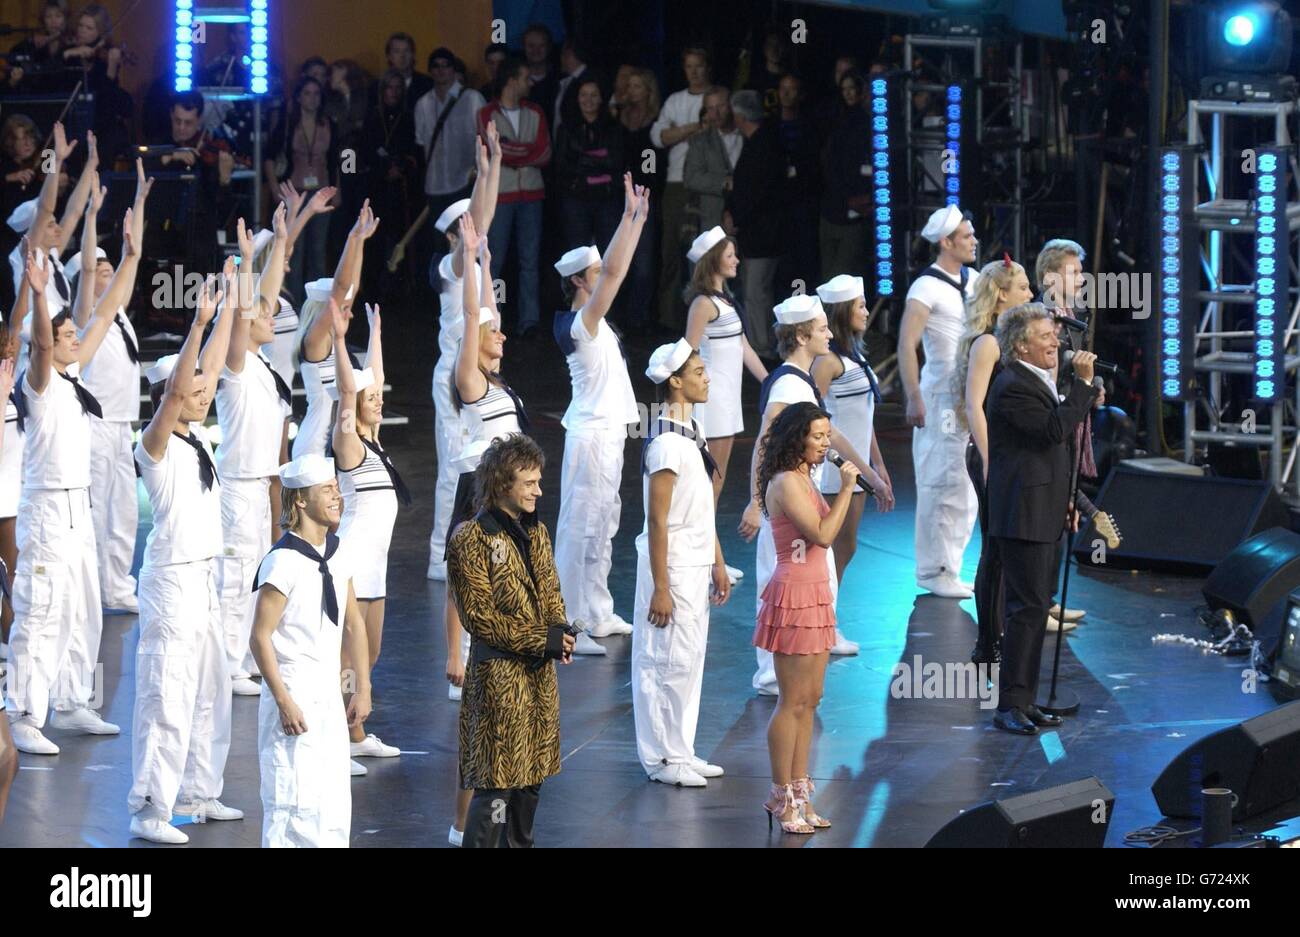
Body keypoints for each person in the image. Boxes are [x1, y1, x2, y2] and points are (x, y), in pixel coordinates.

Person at [4, 229, 133, 754]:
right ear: (50, 343)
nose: (75, 335)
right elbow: (37, 344)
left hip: (79, 505)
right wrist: (38, 295)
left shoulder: (75, 373)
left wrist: (131, 256)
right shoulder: (38, 382)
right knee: (41, 610)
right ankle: (22, 713)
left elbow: (105, 312)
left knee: (84, 605)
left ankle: (74, 700)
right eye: (65, 333)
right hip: (48, 507)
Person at [128, 267, 241, 845]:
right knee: (166, 693)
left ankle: (198, 793)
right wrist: (197, 323)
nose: (204, 391)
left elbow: (211, 367)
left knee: (210, 689)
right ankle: (150, 808)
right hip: (171, 581)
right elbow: (177, 390)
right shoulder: (155, 445)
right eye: (193, 389)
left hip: (203, 580)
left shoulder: (197, 438)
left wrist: (228, 303)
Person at [740, 295, 886, 693]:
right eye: (822, 328)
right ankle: (773, 671)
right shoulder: (788, 383)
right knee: (779, 581)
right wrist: (756, 500)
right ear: (803, 336)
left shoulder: (800, 380)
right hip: (787, 502)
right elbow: (765, 440)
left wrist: (871, 474)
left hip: (802, 493)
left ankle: (805, 649)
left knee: (812, 578)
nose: (828, 333)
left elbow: (833, 434)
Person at [447, 433, 575, 848]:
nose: (539, 490)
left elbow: (552, 592)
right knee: (497, 789)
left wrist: (561, 631)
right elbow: (480, 619)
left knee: (530, 784)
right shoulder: (471, 540)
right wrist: (545, 639)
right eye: (529, 483)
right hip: (499, 681)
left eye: (539, 481)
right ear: (503, 484)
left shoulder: (535, 532)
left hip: (538, 680)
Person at [249, 453, 373, 847]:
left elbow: (353, 623)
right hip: (295, 695)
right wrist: (284, 701)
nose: (337, 496)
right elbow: (259, 637)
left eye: (337, 488)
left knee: (333, 801)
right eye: (327, 490)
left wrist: (362, 688)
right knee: (294, 803)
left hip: (328, 699)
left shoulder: (337, 552)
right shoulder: (282, 562)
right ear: (301, 500)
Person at [986, 303, 1098, 735]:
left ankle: (1024, 700)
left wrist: (1065, 501)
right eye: (1046, 336)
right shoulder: (1013, 384)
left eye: (1055, 334)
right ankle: (1009, 704)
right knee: (1027, 610)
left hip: (1043, 510)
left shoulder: (1037, 380)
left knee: (1033, 609)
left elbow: (1056, 442)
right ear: (1020, 345)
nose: (1056, 341)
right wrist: (1082, 388)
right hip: (1022, 515)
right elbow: (1054, 431)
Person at [551, 175, 648, 655]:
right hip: (590, 437)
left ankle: (596, 610)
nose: (603, 274)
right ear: (578, 281)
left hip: (607, 435)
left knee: (605, 523)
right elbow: (613, 274)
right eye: (594, 271)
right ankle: (567, 623)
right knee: (580, 528)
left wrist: (636, 222)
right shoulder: (579, 324)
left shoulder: (596, 320)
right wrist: (628, 219)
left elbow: (614, 273)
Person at [754, 402, 857, 833]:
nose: (824, 444)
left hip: (814, 596)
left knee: (811, 700)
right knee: (791, 701)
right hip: (794, 595)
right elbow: (823, 535)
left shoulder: (804, 479)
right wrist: (848, 487)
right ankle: (781, 797)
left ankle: (800, 792)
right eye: (817, 436)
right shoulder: (785, 482)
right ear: (796, 437)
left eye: (826, 435)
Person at [632, 339, 730, 787]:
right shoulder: (667, 445)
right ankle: (662, 758)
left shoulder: (693, 436)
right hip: (671, 569)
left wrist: (718, 561)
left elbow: (701, 509)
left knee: (689, 659)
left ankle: (682, 749)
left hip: (694, 564)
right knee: (663, 662)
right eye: (698, 371)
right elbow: (658, 520)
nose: (706, 377)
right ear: (676, 381)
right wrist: (660, 585)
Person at [215, 210, 292, 697]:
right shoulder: (237, 362)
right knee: (235, 575)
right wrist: (246, 261)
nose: (270, 315)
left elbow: (264, 297)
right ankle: (226, 663)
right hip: (240, 485)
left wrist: (281, 242)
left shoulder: (263, 368)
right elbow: (246, 312)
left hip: (262, 483)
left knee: (258, 571)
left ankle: (245, 655)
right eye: (262, 313)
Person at [328, 297, 405, 762]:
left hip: (377, 565)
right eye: (370, 398)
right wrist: (340, 339)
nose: (378, 400)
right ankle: (338, 741)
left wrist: (375, 335)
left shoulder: (376, 444)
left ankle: (356, 734)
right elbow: (347, 394)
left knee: (369, 657)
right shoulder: (349, 444)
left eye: (379, 396)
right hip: (353, 560)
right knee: (346, 658)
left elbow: (369, 380)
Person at [76, 159, 152, 615]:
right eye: (101, 270)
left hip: (123, 424)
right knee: (97, 512)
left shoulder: (117, 312)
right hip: (96, 425)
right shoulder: (87, 317)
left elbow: (133, 255)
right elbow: (87, 268)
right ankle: (91, 587)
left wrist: (140, 201)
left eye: (110, 270)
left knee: (124, 512)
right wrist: (89, 218)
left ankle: (117, 587)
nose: (107, 273)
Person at [426, 126, 500, 582]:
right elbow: (478, 216)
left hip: (475, 376)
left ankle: (467, 540)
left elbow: (483, 218)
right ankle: (441, 554)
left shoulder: (474, 265)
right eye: (469, 228)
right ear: (457, 234)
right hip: (452, 378)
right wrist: (482, 181)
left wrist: (491, 167)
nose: (478, 231)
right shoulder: (450, 266)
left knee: (475, 459)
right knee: (453, 463)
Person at [898, 204, 981, 598]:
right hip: (940, 397)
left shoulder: (976, 280)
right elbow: (906, 344)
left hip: (971, 395)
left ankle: (952, 565)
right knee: (938, 479)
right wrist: (914, 395)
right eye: (966, 236)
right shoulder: (926, 287)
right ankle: (933, 569)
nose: (974, 241)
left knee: (965, 482)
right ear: (946, 243)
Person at [955, 258, 1035, 664]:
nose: (1031, 294)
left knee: (1007, 548)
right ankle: (988, 641)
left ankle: (999, 635)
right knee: (995, 549)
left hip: (1010, 456)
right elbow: (973, 404)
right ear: (1002, 293)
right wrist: (989, 460)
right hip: (991, 455)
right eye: (1023, 287)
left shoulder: (1014, 340)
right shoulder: (988, 342)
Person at [683, 225, 767, 582]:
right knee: (708, 485)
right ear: (713, 260)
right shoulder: (703, 304)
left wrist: (770, 382)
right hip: (712, 403)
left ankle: (708, 558)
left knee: (714, 484)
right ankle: (704, 561)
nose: (736, 260)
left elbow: (744, 347)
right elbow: (688, 354)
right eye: (729, 254)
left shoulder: (725, 301)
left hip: (728, 401)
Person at [813, 274, 896, 591]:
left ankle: (827, 621)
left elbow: (864, 416)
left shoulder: (855, 357)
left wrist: (878, 464)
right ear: (844, 312)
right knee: (836, 549)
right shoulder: (828, 362)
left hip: (857, 467)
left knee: (846, 548)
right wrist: (868, 473)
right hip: (837, 469)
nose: (866, 312)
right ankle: (823, 624)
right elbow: (820, 422)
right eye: (860, 306)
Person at [291, 202, 379, 460]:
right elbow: (341, 288)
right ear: (325, 309)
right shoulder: (315, 341)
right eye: (341, 308)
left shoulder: (332, 339)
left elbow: (348, 288)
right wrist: (351, 239)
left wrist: (361, 241)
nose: (349, 312)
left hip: (339, 437)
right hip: (317, 443)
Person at [478, 55, 550, 338]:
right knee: (493, 260)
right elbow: (496, 150)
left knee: (529, 260)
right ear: (512, 80)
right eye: (524, 77)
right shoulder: (486, 114)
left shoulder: (536, 112)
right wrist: (521, 153)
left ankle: (529, 321)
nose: (529, 82)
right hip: (500, 195)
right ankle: (491, 322)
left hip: (531, 194)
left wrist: (510, 152)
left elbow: (544, 153)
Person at [649, 46, 711, 330]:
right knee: (672, 251)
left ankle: (702, 316)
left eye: (699, 65)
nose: (694, 71)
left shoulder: (716, 97)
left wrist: (680, 131)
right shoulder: (675, 100)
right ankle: (669, 318)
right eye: (689, 66)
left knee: (703, 253)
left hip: (709, 184)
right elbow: (659, 137)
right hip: (677, 183)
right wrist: (692, 128)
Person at [266, 77, 341, 304]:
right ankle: (294, 304)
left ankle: (316, 305)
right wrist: (273, 187)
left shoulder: (329, 123)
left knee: (318, 252)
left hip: (321, 189)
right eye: (307, 93)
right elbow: (268, 156)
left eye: (316, 94)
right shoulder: (288, 123)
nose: (312, 98)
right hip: (295, 191)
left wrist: (340, 189)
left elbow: (338, 159)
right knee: (294, 253)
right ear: (299, 97)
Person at [725, 90, 784, 358]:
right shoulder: (758, 143)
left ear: (740, 115)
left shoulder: (763, 146)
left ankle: (763, 346)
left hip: (763, 234)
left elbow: (756, 193)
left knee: (756, 292)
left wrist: (737, 219)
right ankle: (761, 343)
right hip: (758, 233)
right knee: (755, 290)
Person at [414, 46, 485, 256]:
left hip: (465, 181)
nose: (441, 70)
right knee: (439, 244)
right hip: (435, 184)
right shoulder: (423, 104)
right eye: (436, 66)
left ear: (454, 69)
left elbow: (484, 138)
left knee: (468, 241)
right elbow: (421, 142)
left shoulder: (472, 98)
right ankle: (443, 287)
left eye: (446, 65)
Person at [554, 76, 623, 251]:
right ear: (577, 98)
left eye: (594, 95)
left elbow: (617, 161)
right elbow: (561, 165)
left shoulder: (614, 127)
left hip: (607, 198)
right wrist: (599, 160)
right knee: (577, 252)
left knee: (609, 250)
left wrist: (584, 159)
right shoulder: (567, 128)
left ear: (601, 98)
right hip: (576, 196)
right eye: (584, 95)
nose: (588, 100)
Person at [618, 67, 661, 332]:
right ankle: (619, 315)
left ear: (648, 90)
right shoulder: (618, 117)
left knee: (644, 263)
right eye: (629, 86)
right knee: (620, 258)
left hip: (646, 196)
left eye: (637, 86)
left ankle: (639, 316)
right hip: (619, 198)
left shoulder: (656, 121)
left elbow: (655, 164)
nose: (631, 91)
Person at [819, 69, 870, 281]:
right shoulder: (835, 121)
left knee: (842, 275)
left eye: (852, 89)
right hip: (832, 209)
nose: (848, 94)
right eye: (844, 89)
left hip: (854, 213)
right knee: (829, 275)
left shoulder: (868, 125)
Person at [682, 86, 742, 234]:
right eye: (710, 108)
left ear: (731, 105)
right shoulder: (700, 141)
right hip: (714, 220)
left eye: (720, 106)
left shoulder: (749, 135)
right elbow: (691, 178)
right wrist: (725, 182)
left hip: (751, 217)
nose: (715, 114)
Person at [372, 32, 433, 117]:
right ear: (389, 56)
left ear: (413, 54)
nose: (402, 56)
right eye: (397, 51)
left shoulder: (427, 84)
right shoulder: (377, 87)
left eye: (406, 51)